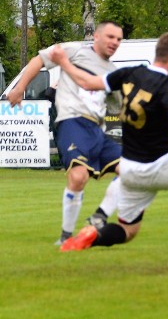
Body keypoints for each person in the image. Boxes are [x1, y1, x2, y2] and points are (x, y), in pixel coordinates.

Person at [51, 31, 168, 251]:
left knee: (128, 231)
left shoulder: (129, 74)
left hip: (132, 171)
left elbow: (86, 82)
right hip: (162, 165)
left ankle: (89, 237)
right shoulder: (167, 83)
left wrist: (63, 62)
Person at [7, 21, 124, 246]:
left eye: (118, 39)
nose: (114, 42)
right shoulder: (74, 50)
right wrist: (20, 88)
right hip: (72, 122)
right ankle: (66, 237)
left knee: (133, 171)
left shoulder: (112, 73)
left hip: (97, 130)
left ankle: (99, 216)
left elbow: (117, 107)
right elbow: (38, 60)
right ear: (97, 36)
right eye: (110, 37)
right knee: (78, 176)